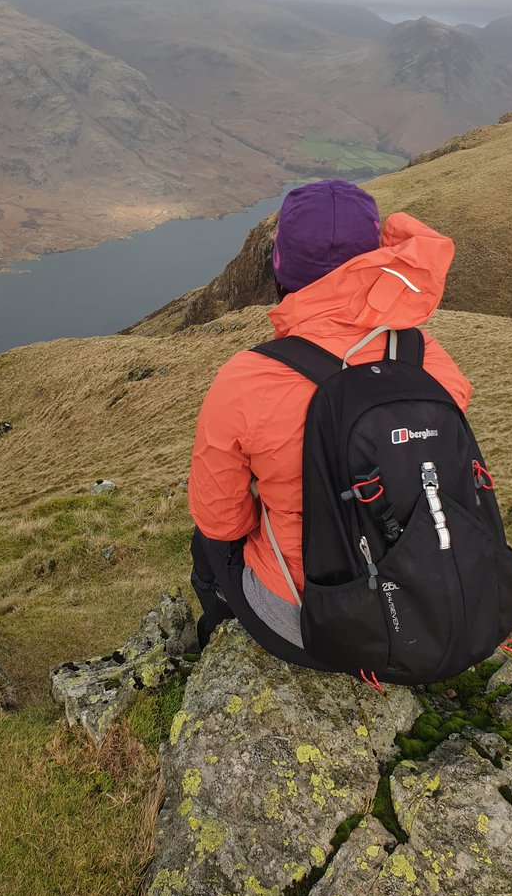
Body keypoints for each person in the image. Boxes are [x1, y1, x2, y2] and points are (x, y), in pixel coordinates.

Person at [188, 178, 472, 662]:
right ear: (373, 260)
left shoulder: (248, 378)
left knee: (206, 545)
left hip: (315, 621)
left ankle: (216, 633)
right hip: (431, 602)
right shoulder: (427, 358)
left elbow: (222, 521)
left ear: (281, 265)